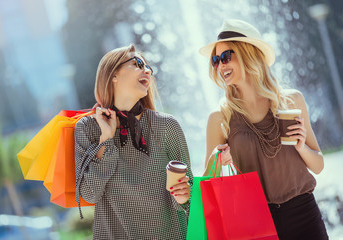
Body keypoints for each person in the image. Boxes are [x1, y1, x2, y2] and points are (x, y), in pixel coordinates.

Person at [200, 19, 328, 240]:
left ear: (248, 54)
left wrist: (302, 147)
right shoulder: (220, 117)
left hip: (304, 213)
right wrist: (217, 161)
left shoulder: (292, 101)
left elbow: (318, 165)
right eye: (215, 60)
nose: (220, 66)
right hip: (255, 222)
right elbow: (208, 184)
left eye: (225, 57)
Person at [74, 44, 192, 239]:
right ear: (113, 74)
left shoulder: (167, 126)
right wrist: (106, 139)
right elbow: (89, 194)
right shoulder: (88, 128)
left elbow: (190, 192)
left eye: (148, 68)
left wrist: (184, 196)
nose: (147, 70)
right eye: (138, 63)